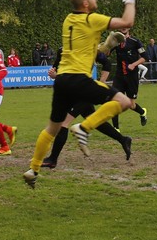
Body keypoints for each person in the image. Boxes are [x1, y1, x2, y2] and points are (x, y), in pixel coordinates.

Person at [23, 0, 138, 188]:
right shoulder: (91, 19)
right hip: (79, 79)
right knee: (124, 102)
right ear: (85, 3)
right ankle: (83, 128)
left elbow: (84, 49)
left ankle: (33, 169)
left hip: (62, 81)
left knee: (52, 128)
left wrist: (106, 46)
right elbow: (127, 22)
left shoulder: (68, 20)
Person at [39, 41, 134, 170]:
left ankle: (52, 159)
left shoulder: (86, 49)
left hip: (84, 92)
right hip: (71, 92)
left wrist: (101, 82)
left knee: (63, 123)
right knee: (96, 121)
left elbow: (106, 63)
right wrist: (53, 74)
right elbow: (56, 71)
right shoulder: (62, 50)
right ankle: (123, 140)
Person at [109, 31, 149, 129]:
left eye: (126, 25)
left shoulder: (135, 41)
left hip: (132, 77)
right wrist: (107, 45)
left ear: (129, 27)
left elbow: (145, 57)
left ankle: (142, 112)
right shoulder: (116, 41)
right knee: (114, 102)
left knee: (131, 105)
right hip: (119, 76)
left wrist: (134, 64)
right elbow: (106, 54)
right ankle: (116, 129)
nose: (124, 27)